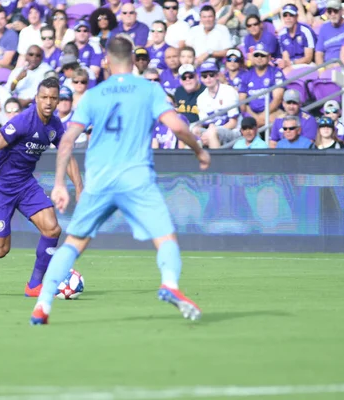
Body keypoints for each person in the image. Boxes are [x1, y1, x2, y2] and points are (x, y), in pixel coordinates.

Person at [28, 36, 211, 325]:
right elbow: (177, 127)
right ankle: (170, 284)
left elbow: (67, 141)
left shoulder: (93, 95)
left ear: (107, 60)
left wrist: (60, 183)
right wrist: (200, 151)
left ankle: (43, 305)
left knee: (74, 243)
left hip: (99, 181)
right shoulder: (149, 89)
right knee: (165, 237)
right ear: (135, 60)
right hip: (136, 179)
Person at [0, 78, 84, 298]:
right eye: (44, 98)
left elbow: (66, 156)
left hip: (25, 183)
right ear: (36, 99)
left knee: (52, 229)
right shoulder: (23, 121)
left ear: (58, 100)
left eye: (53, 98)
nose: (48, 102)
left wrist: (79, 187)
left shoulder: (56, 125)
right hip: (0, 187)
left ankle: (34, 286)